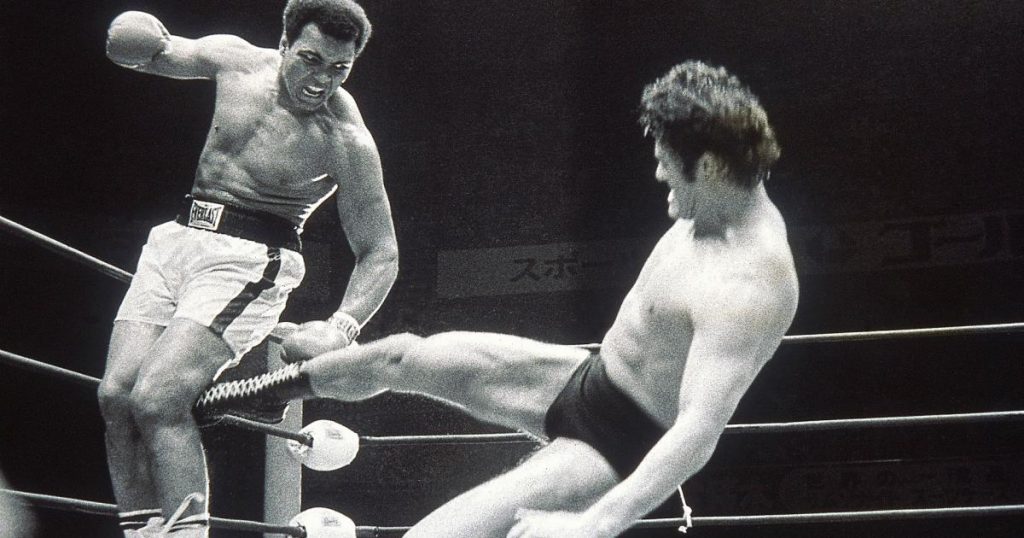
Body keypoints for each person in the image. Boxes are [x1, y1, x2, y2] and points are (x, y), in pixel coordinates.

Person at [197, 60, 798, 538]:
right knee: (400, 355)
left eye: (668, 163)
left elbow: (698, 431)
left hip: (615, 446)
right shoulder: (708, 209)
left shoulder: (750, 282)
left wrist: (595, 524)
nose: (660, 175)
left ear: (711, 167)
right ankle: (256, 397)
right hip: (586, 378)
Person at [97, 1, 399, 536]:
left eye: (339, 67)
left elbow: (380, 251)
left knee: (159, 399)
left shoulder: (345, 138)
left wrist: (341, 327)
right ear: (283, 45)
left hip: (250, 261)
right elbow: (160, 52)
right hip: (177, 240)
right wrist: (141, 46)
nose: (321, 80)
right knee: (117, 397)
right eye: (310, 59)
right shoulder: (235, 60)